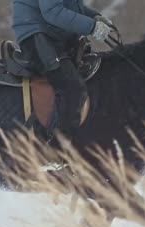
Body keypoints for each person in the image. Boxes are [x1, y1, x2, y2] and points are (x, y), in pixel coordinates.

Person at [12, 0, 112, 141]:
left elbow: (69, 4)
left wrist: (94, 17)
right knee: (72, 90)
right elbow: (52, 12)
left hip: (54, 35)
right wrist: (92, 26)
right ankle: (54, 153)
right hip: (38, 34)